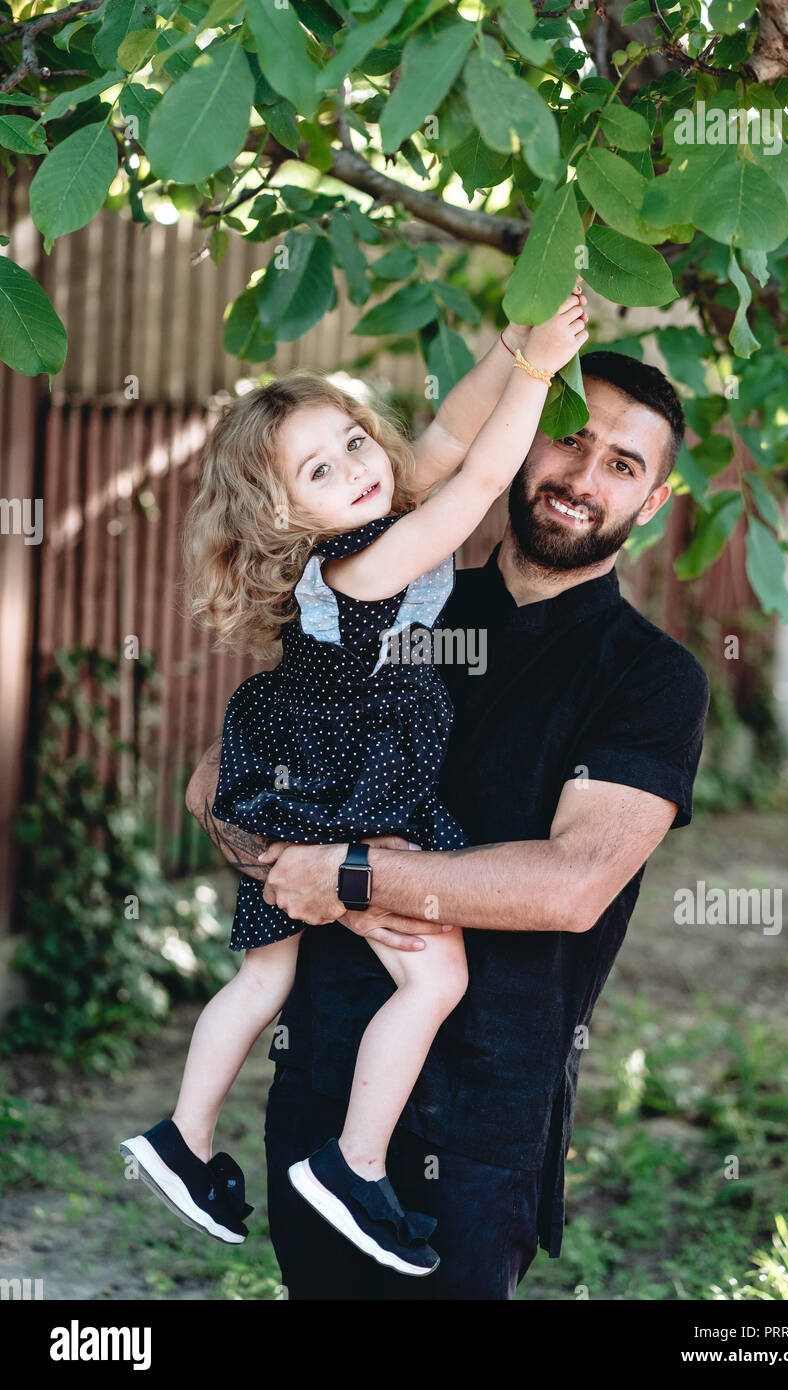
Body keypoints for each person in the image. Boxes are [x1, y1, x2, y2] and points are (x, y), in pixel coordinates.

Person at [187, 348, 711, 1301]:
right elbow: (216, 787)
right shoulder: (402, 596)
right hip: (323, 1082)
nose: (583, 479)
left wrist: (349, 877)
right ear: (523, 442)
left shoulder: (652, 679)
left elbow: (571, 885)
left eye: (623, 466)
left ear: (655, 501)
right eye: (569, 437)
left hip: (484, 1117)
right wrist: (294, 862)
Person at [119, 290, 590, 1276]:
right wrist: (540, 373)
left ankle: (182, 1136)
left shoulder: (369, 516)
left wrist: (508, 345)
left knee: (263, 974)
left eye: (355, 442)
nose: (356, 469)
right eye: (319, 470)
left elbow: (453, 433)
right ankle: (353, 1163)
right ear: (287, 513)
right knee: (435, 972)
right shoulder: (364, 564)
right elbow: (476, 484)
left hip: (300, 761)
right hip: (341, 778)